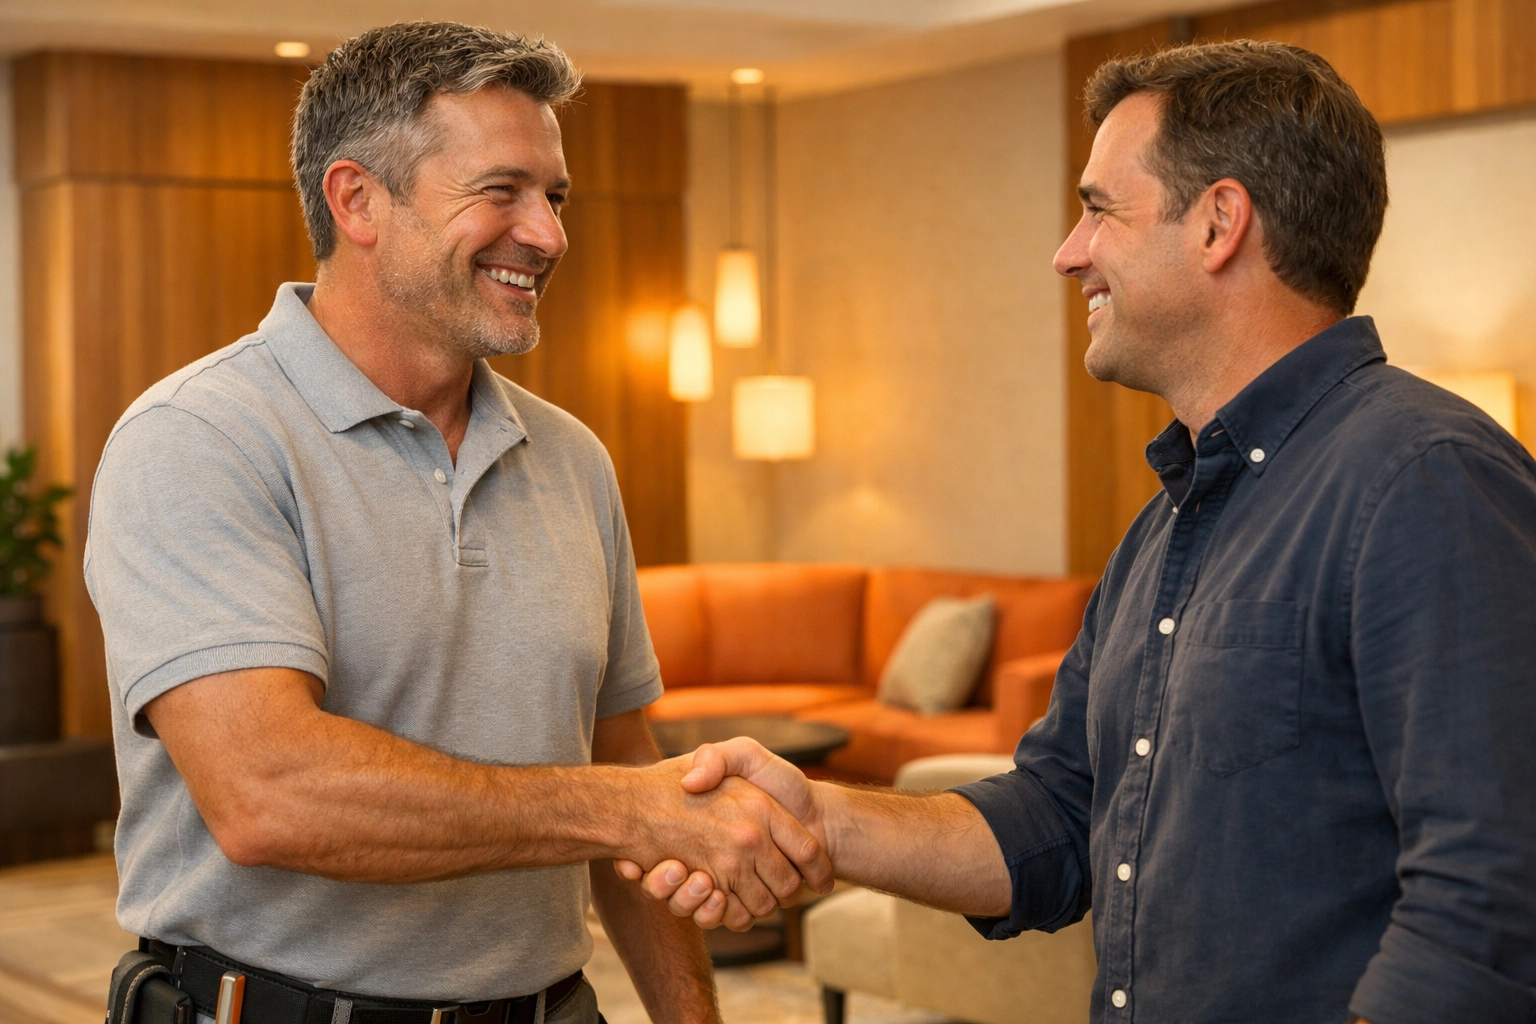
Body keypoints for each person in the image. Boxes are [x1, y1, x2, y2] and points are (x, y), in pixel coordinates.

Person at [628, 40, 1536, 1024]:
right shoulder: (1167, 523)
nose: (1068, 250)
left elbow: (1489, 896)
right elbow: (1060, 818)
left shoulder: (1425, 477)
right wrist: (819, 816)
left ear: (1220, 223)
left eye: (1100, 208)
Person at [86, 22, 829, 1024]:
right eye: (502, 191)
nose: (549, 234)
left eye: (554, 197)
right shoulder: (199, 439)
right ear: (357, 200)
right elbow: (268, 794)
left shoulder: (574, 460)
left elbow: (625, 771)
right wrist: (620, 807)